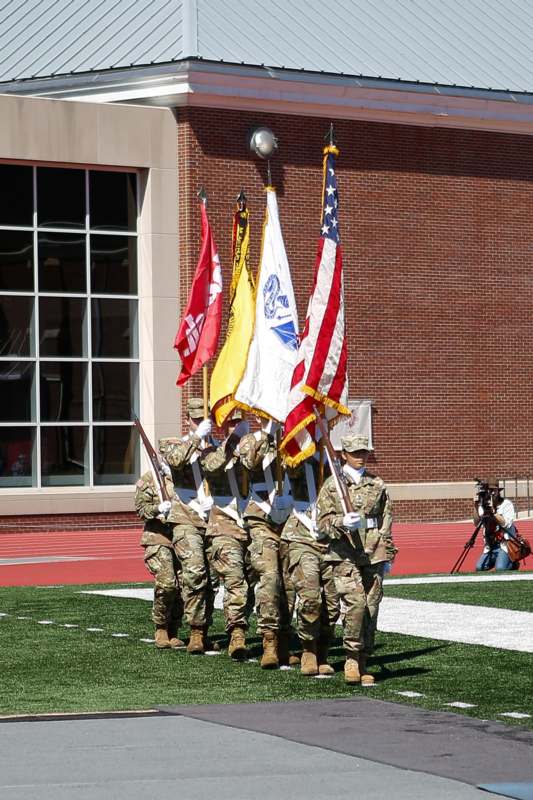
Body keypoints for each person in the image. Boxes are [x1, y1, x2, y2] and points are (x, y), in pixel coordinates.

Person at [317, 434, 397, 685]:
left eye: (364, 452)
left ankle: (363, 660)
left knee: (372, 608)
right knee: (356, 604)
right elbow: (320, 525)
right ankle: (351, 657)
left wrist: (387, 548)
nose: (360, 456)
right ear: (344, 455)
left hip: (373, 552)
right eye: (355, 452)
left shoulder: (377, 484)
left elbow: (386, 518)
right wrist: (341, 522)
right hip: (344, 553)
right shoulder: (333, 486)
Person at [161, 397, 219, 655]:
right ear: (188, 421)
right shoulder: (177, 445)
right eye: (196, 420)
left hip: (215, 519)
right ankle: (195, 630)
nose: (199, 424)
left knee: (213, 579)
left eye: (203, 420)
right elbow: (176, 461)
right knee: (194, 572)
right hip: (185, 516)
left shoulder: (216, 448)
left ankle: (205, 629)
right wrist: (197, 438)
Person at [240, 420, 296, 669]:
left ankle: (285, 638)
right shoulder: (250, 440)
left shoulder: (294, 438)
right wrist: (267, 434)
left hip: (293, 518)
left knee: (290, 583)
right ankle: (269, 641)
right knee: (270, 578)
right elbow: (249, 462)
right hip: (261, 518)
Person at [202, 409, 255, 659]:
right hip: (224, 525)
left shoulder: (256, 447)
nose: (236, 427)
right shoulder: (213, 450)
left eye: (239, 422)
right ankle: (237, 633)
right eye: (231, 423)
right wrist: (232, 442)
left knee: (255, 583)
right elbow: (211, 466)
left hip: (255, 526)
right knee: (234, 579)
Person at [281, 452, 339, 676]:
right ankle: (308, 650)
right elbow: (290, 468)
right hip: (301, 537)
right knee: (310, 597)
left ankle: (323, 651)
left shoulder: (334, 463)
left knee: (332, 604)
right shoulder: (297, 456)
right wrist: (306, 449)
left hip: (331, 541)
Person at [134, 444, 184, 649]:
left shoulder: (186, 477)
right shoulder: (150, 479)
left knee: (183, 586)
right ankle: (161, 626)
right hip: (157, 538)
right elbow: (140, 509)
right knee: (167, 582)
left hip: (182, 539)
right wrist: (157, 509)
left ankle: (174, 628)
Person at [475, 478, 518, 571]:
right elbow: (476, 523)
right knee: (479, 568)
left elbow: (506, 524)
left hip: (505, 544)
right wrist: (476, 506)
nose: (491, 493)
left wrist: (494, 512)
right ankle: (500, 560)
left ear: (498, 491)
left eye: (493, 490)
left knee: (500, 569)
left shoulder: (506, 504)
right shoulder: (483, 505)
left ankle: (513, 564)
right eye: (488, 491)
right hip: (490, 545)